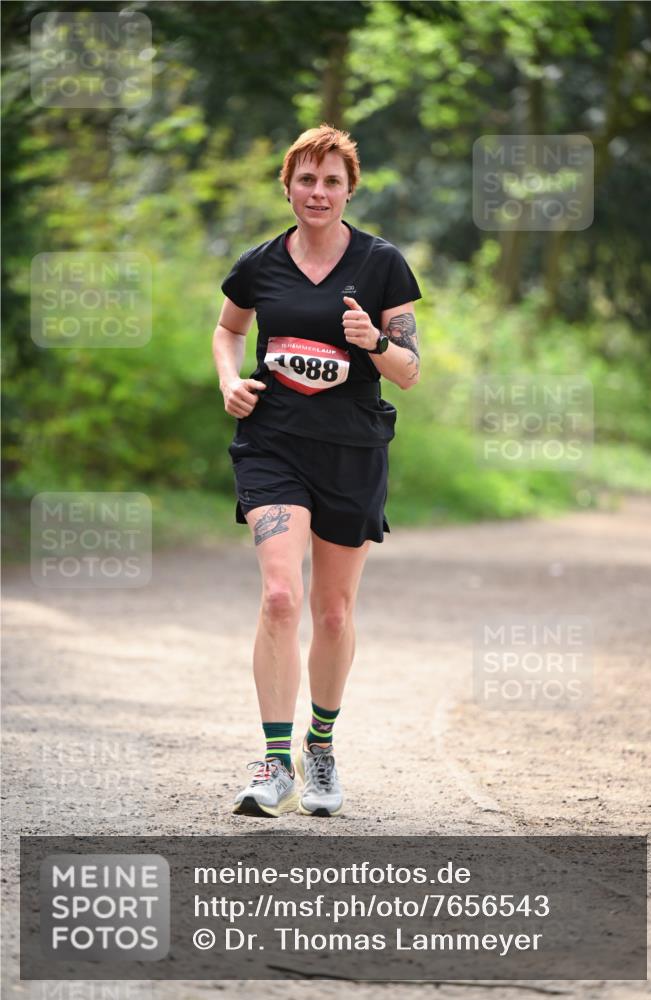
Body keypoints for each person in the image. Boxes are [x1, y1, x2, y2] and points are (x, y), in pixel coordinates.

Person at [212, 124, 421, 818]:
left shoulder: (381, 263)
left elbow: (410, 371)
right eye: (306, 179)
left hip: (350, 451)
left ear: (348, 189)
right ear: (287, 186)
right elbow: (229, 329)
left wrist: (374, 344)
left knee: (332, 612)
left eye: (331, 180)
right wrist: (227, 382)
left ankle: (320, 748)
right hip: (272, 443)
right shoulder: (259, 263)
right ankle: (275, 764)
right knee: (279, 597)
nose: (318, 191)